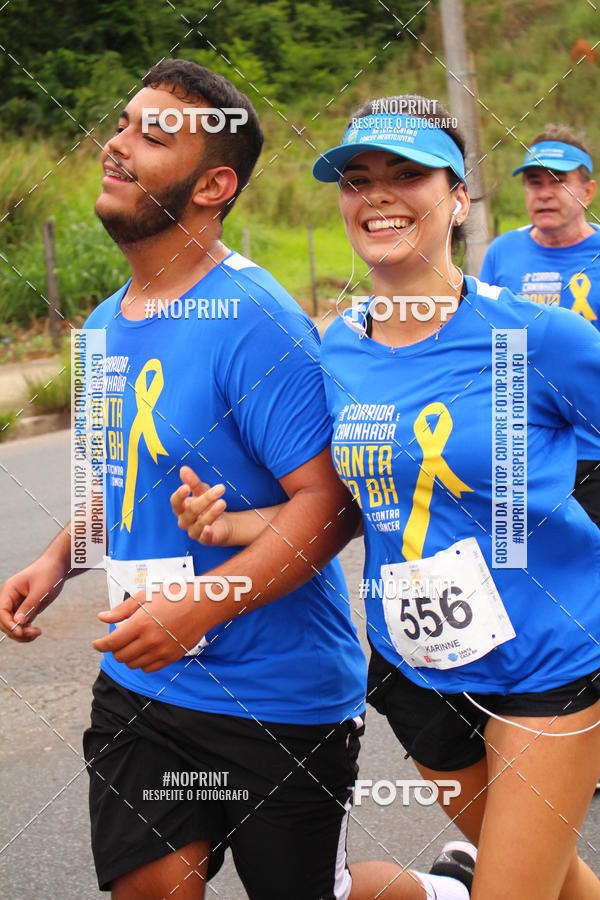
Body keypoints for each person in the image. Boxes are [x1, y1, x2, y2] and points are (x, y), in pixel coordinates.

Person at [0, 63, 475, 900]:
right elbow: (120, 478)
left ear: (213, 185)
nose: (117, 145)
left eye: (154, 135)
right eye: (123, 124)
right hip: (143, 685)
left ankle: (445, 891)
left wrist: (202, 607)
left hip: (276, 698)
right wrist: (57, 559)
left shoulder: (255, 321)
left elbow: (332, 506)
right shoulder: (104, 325)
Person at [180, 96, 600, 899]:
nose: (378, 194)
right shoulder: (336, 346)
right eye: (358, 178)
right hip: (419, 665)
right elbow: (348, 501)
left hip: (548, 657)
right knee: (554, 876)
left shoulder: (535, 336)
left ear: (458, 200)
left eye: (408, 174)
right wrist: (231, 523)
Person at [480, 126, 600, 525]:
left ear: (587, 191)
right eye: (534, 182)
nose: (544, 193)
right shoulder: (503, 253)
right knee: (520, 556)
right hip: (521, 453)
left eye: (558, 181)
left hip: (592, 451)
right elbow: (483, 344)